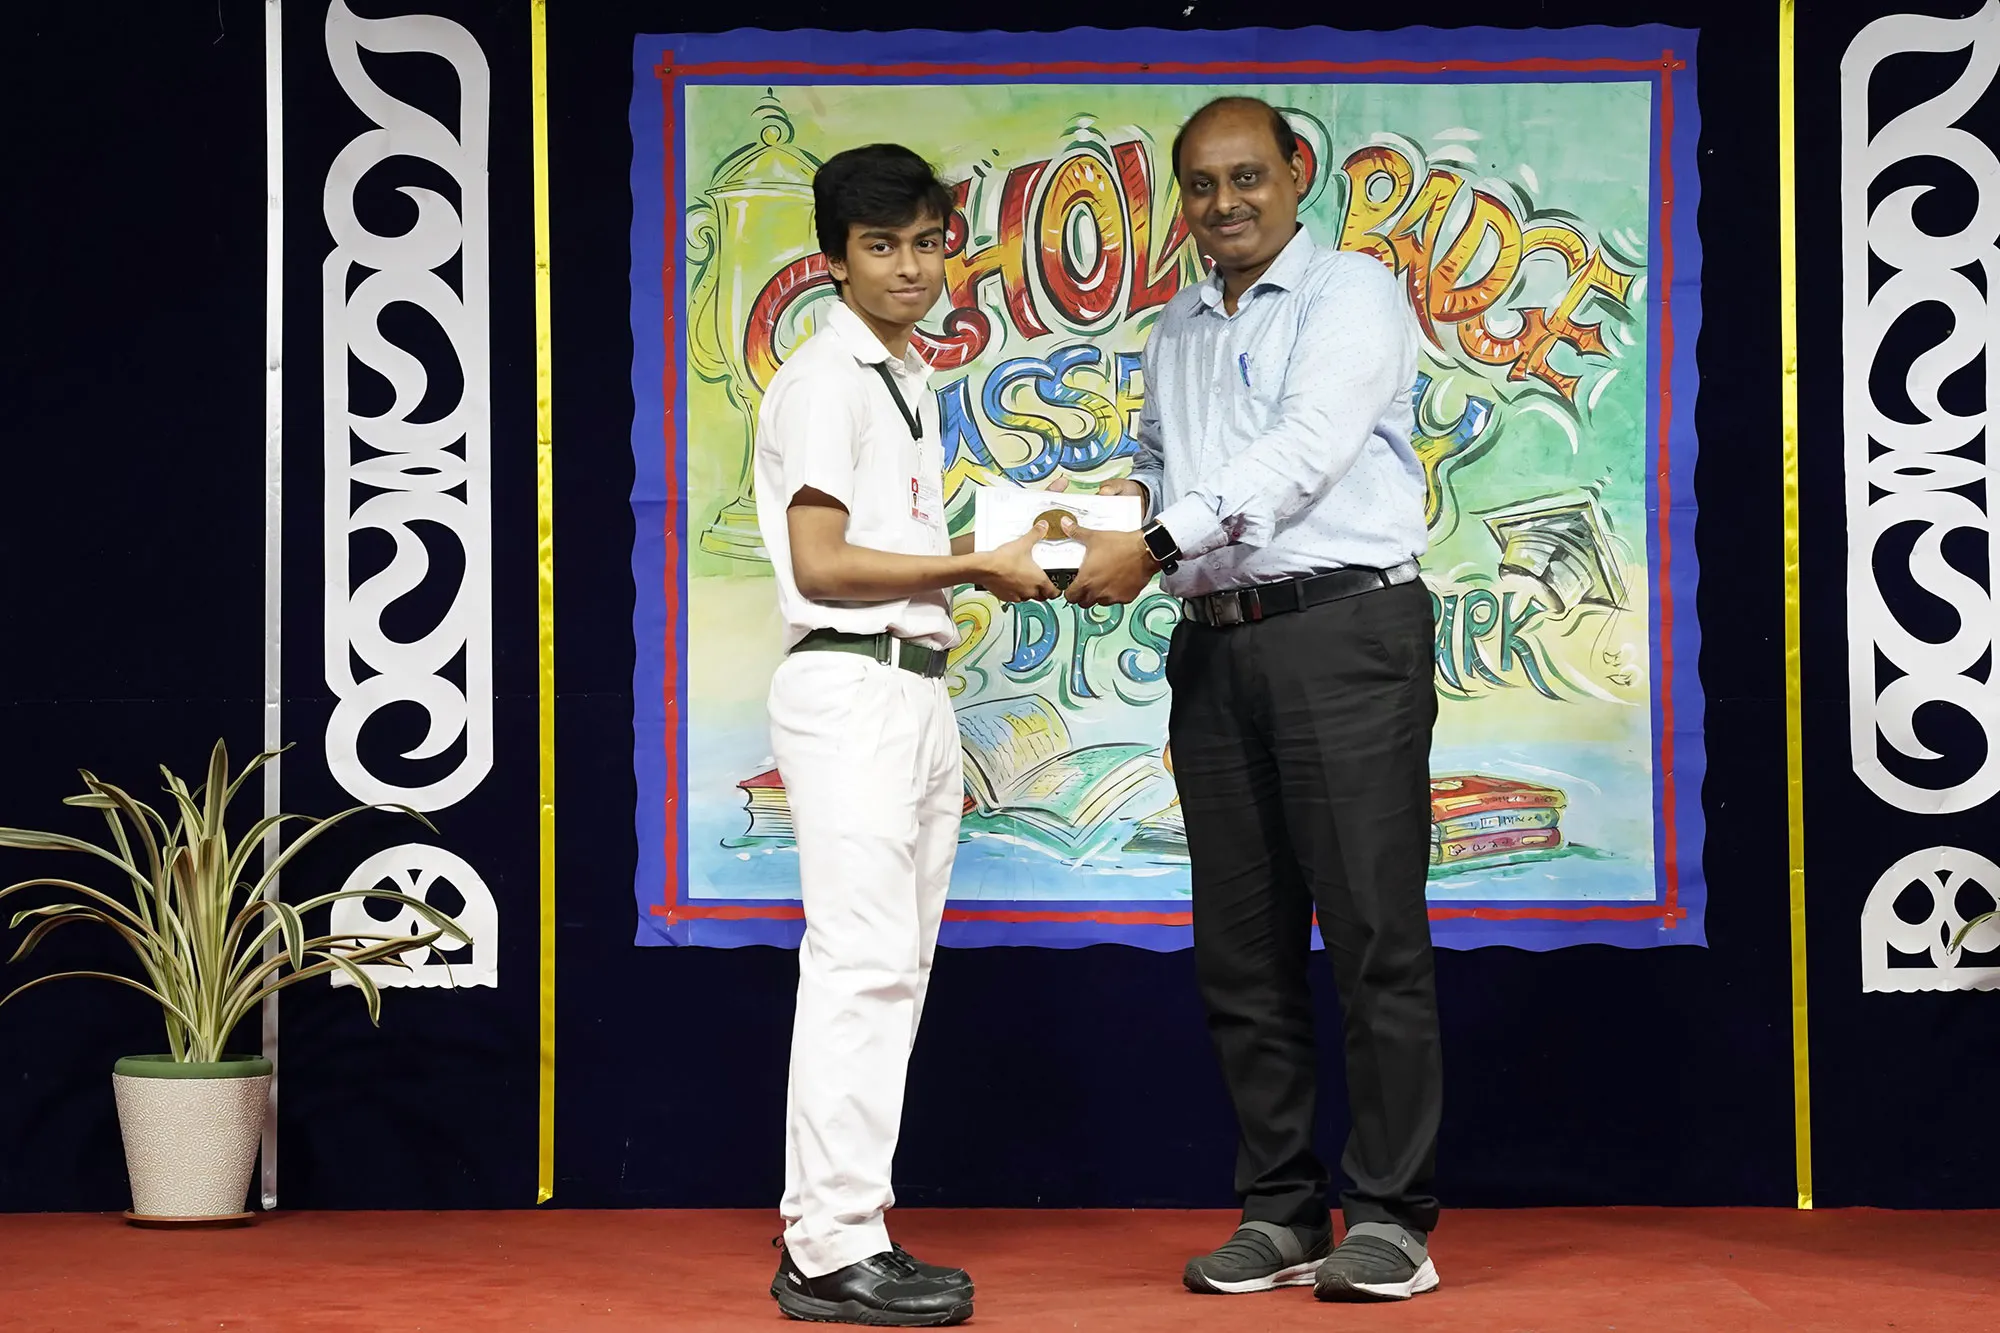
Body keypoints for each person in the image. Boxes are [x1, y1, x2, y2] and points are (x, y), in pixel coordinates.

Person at [1065, 96, 1444, 1303]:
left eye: (1246, 177)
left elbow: (1303, 447)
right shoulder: (1176, 322)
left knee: (1371, 936)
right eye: (1199, 184)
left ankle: (1388, 1217)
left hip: (1343, 632)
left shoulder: (1350, 293)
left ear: (1296, 173)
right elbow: (1158, 459)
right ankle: (1278, 1208)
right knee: (1240, 949)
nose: (1222, 203)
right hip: (1214, 643)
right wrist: (1094, 527)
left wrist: (1148, 545)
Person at [754, 143, 1057, 1327]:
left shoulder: (904, 378)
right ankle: (827, 1246)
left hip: (912, 684)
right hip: (850, 681)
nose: (908, 267)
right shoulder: (826, 378)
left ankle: (844, 1226)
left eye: (926, 243)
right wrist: (975, 563)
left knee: (894, 968)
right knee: (861, 963)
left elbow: (884, 550)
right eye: (879, 246)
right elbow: (823, 564)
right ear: (834, 260)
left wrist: (990, 555)